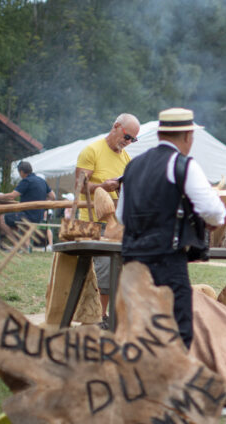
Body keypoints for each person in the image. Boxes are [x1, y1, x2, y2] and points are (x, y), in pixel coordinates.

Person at [117, 108, 226, 349]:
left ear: (160, 134)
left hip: (132, 261)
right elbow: (215, 212)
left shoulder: (132, 167)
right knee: (177, 332)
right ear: (188, 136)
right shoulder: (182, 165)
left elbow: (121, 216)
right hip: (166, 261)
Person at [75, 113, 141, 322]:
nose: (128, 142)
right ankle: (100, 318)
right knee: (103, 272)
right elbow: (78, 185)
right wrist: (102, 187)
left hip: (116, 225)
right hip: (92, 223)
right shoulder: (92, 151)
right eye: (127, 136)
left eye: (133, 140)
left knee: (118, 272)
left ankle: (108, 316)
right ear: (116, 126)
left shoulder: (126, 158)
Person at [0, 161, 55, 247]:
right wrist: (42, 203)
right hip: (39, 216)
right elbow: (53, 196)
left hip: (28, 215)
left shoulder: (26, 181)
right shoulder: (41, 181)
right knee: (18, 222)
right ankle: (25, 247)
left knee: (2, 218)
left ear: (22, 172)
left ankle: (17, 244)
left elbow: (12, 196)